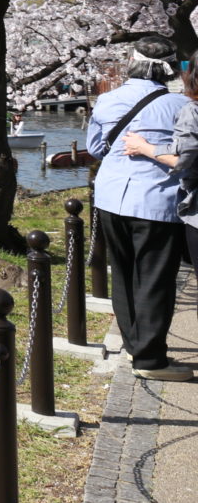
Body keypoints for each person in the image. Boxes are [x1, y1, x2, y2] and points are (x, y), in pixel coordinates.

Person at [88, 35, 192, 380]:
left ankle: (136, 347)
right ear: (171, 69)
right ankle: (150, 360)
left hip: (110, 196)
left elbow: (96, 148)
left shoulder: (107, 100)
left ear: (130, 63)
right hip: (156, 200)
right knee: (155, 279)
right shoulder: (180, 106)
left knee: (124, 273)